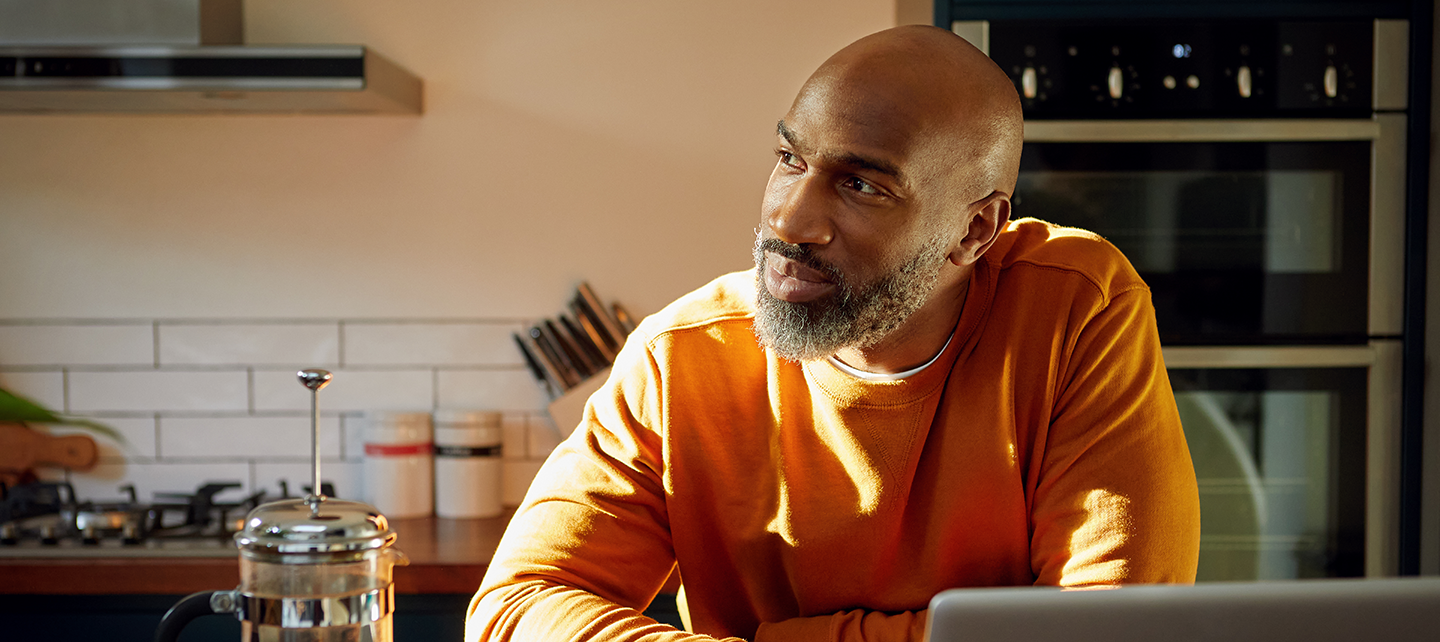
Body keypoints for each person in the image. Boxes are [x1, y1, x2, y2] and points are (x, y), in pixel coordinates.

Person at [467, 24, 1200, 642]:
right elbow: (515, 608)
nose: (789, 220)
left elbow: (1112, 628)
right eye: (790, 160)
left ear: (974, 230)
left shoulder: (1075, 309)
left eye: (862, 185)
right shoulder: (682, 357)